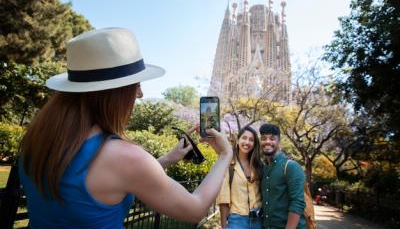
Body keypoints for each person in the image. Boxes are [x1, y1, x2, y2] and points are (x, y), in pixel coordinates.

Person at [18, 27, 233, 228]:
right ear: (114, 93)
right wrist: (225, 154)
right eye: (136, 85)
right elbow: (195, 209)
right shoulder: (123, 156)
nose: (140, 94)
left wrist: (167, 159)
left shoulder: (37, 140)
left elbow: (106, 182)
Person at [259, 123, 305, 229]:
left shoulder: (291, 166)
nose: (267, 142)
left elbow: (297, 203)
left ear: (279, 142)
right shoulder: (264, 168)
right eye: (264, 138)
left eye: (272, 138)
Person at [217, 126, 263, 229]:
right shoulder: (228, 165)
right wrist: (224, 226)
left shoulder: (259, 165)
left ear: (254, 144)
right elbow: (223, 201)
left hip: (259, 220)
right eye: (244, 138)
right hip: (237, 221)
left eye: (251, 140)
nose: (247, 142)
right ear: (238, 140)